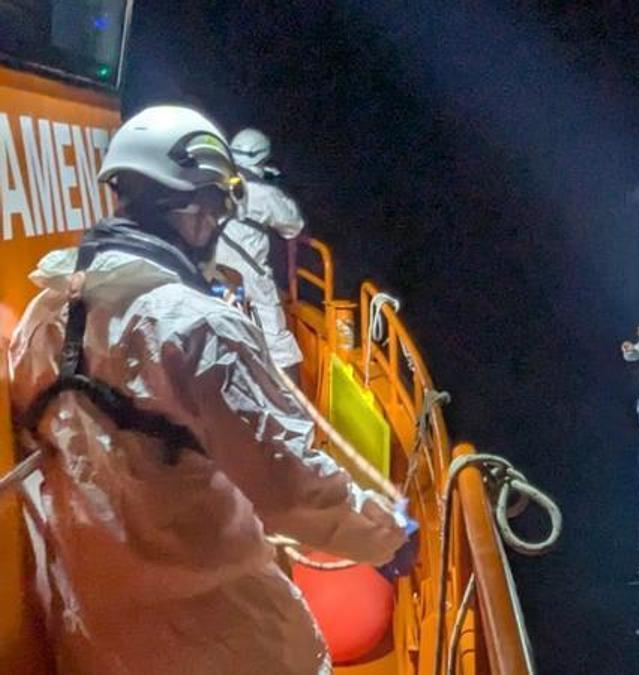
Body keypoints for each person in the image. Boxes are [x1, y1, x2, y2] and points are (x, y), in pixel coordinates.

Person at [8, 106, 410, 674]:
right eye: (216, 206)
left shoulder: (48, 313)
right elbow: (291, 489)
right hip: (219, 636)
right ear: (191, 209)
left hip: (97, 636)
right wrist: (389, 537)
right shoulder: (198, 326)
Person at [213, 128, 305, 377]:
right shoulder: (263, 193)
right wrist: (271, 184)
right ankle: (290, 405)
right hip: (249, 277)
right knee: (278, 343)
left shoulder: (213, 181)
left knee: (225, 334)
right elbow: (293, 225)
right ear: (262, 158)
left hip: (215, 272)